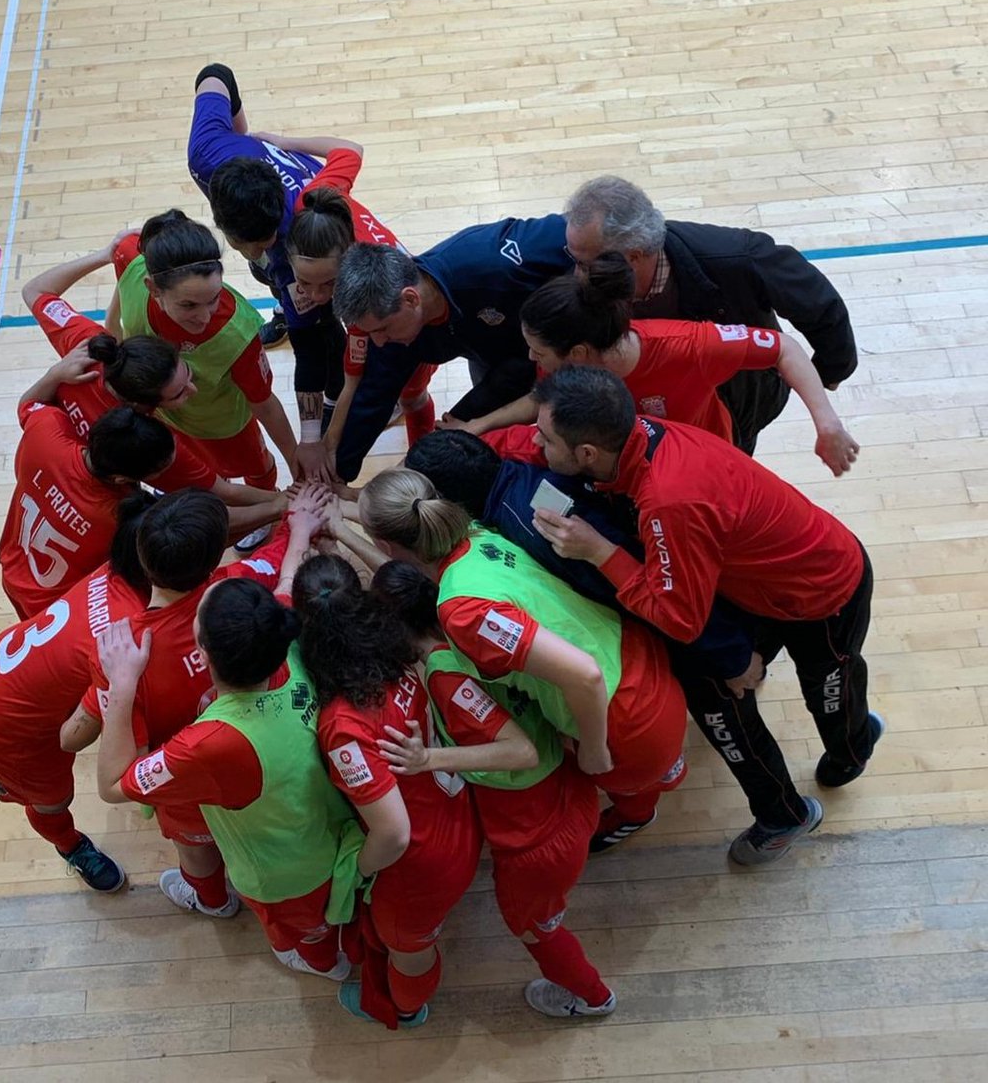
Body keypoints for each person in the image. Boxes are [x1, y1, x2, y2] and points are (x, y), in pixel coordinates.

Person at [529, 365, 884, 864]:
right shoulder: (641, 437)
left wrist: (600, 553)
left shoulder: (669, 503)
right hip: (760, 586)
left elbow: (678, 620)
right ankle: (785, 811)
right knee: (713, 687)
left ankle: (852, 747)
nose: (534, 442)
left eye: (544, 438)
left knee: (829, 700)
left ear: (587, 454)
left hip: (823, 591)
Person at [357, 467, 688, 853]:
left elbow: (585, 676)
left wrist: (595, 750)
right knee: (657, 771)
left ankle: (637, 807)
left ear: (384, 545)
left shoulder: (463, 611)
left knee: (624, 778)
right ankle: (663, 776)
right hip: (645, 665)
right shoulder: (476, 534)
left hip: (626, 725)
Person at [60, 486, 327, 915]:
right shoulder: (241, 592)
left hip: (185, 782)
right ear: (214, 559)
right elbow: (284, 571)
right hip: (263, 778)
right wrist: (297, 526)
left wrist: (115, 687)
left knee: (197, 851)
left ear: (141, 559)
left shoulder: (121, 649)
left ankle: (213, 901)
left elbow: (114, 770)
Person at [369, 560, 616, 1020]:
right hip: (569, 789)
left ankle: (593, 997)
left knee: (534, 930)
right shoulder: (455, 618)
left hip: (537, 844)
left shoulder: (444, 676)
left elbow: (520, 752)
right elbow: (396, 587)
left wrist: (429, 759)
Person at [95, 576, 364, 982]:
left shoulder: (213, 744)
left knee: (306, 931)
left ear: (203, 656)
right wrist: (301, 529)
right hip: (334, 823)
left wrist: (122, 683)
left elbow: (112, 784)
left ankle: (322, 963)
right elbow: (284, 587)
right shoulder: (285, 646)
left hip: (287, 874)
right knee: (318, 916)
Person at [404, 429, 760, 693]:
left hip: (676, 633)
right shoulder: (524, 472)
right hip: (700, 605)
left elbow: (646, 587)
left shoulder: (534, 528)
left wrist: (731, 657)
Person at [294, 554, 481, 1028]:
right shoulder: (398, 652)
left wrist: (353, 871)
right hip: (457, 821)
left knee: (409, 953)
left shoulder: (343, 724)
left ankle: (407, 1008)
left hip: (417, 865)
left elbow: (393, 834)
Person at [455, 257, 860, 476]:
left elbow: (784, 348)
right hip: (624, 473)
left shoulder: (690, 346)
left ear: (577, 354)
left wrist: (826, 424)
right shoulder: (562, 367)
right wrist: (479, 425)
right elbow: (539, 398)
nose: (531, 360)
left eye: (538, 352)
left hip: (702, 469)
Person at [563, 175, 858, 452]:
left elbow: (818, 303)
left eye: (585, 265)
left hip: (733, 406)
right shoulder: (588, 259)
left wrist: (831, 371)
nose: (576, 275)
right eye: (574, 259)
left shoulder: (736, 257)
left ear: (634, 256)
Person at [21, 241, 293, 536]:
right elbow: (224, 493)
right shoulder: (151, 444)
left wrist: (105, 253)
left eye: (188, 373)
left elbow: (34, 291)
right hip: (95, 505)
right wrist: (287, 502)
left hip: (50, 472)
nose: (193, 390)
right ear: (146, 407)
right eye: (178, 393)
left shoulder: (88, 349)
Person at [0, 492, 154, 892]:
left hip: (2, 669)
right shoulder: (129, 624)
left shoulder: (114, 568)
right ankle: (71, 847)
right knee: (52, 800)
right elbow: (75, 739)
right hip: (3, 732)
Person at [331, 216, 573, 480]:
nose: (378, 342)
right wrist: (335, 474)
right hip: (497, 359)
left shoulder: (493, 263)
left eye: (381, 330)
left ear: (410, 299)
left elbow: (577, 229)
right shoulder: (389, 325)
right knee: (451, 444)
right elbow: (370, 401)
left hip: (550, 352)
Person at [111, 210, 298, 503]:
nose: (204, 316)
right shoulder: (132, 263)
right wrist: (112, 338)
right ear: (153, 287)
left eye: (213, 298)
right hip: (165, 417)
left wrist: (296, 463)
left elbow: (265, 405)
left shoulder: (237, 332)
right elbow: (121, 257)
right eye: (188, 305)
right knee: (196, 475)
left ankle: (264, 503)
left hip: (224, 426)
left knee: (256, 469)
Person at [278, 142, 437, 478]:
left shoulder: (366, 301)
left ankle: (425, 472)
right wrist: (280, 141)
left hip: (410, 321)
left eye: (328, 285)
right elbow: (349, 150)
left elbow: (353, 380)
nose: (317, 296)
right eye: (304, 281)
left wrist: (328, 442)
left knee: (412, 396)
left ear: (349, 263)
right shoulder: (316, 198)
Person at [0, 351, 173, 619]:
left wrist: (56, 373)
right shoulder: (118, 516)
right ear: (121, 479)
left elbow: (28, 403)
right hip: (57, 609)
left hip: (13, 571)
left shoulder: (46, 432)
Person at [188, 62, 322, 346]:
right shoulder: (206, 150)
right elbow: (216, 73)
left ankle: (290, 307)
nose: (255, 249)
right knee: (264, 270)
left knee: (318, 316)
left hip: (317, 229)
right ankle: (285, 303)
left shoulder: (296, 241)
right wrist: (241, 134)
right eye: (252, 242)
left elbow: (312, 344)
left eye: (264, 241)